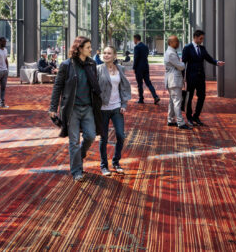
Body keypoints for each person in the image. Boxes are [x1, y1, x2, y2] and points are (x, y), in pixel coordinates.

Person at [49, 36, 102, 182]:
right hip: (72, 109)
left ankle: (79, 156)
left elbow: (95, 85)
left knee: (91, 136)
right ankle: (77, 171)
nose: (91, 50)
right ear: (79, 49)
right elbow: (57, 86)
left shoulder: (92, 64)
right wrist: (53, 107)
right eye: (88, 48)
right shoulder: (67, 65)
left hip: (88, 108)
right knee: (74, 142)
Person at [96, 46, 131, 176]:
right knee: (103, 138)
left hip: (117, 108)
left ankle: (116, 162)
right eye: (104, 53)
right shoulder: (98, 69)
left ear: (115, 56)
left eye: (109, 53)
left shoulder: (120, 69)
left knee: (121, 136)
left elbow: (124, 87)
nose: (106, 55)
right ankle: (104, 165)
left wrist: (124, 103)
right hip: (102, 109)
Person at [182, 29, 224, 127]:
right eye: (201, 38)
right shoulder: (187, 48)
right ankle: (189, 117)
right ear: (195, 37)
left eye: (203, 39)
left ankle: (196, 116)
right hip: (191, 77)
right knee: (189, 97)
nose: (202, 40)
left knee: (202, 96)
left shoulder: (202, 48)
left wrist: (217, 62)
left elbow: (209, 58)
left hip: (201, 77)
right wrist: (182, 77)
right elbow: (183, 63)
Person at [164, 35, 190, 129]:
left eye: (178, 41)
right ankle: (180, 122)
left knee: (172, 101)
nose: (178, 43)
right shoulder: (171, 53)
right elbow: (181, 66)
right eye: (176, 41)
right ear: (170, 43)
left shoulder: (170, 52)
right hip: (174, 80)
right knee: (177, 101)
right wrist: (183, 64)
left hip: (172, 80)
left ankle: (170, 120)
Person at [132, 34, 160, 105]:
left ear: (136, 39)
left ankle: (141, 99)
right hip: (145, 67)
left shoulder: (136, 47)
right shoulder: (145, 47)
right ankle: (155, 96)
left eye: (134, 39)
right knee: (148, 83)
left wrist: (134, 67)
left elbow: (136, 58)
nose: (133, 41)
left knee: (139, 84)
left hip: (139, 68)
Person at [0, 36, 11, 108]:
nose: (5, 43)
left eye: (5, 42)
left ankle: (2, 104)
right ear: (0, 42)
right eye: (3, 41)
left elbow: (6, 59)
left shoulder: (5, 50)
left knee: (3, 88)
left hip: (4, 71)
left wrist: (7, 68)